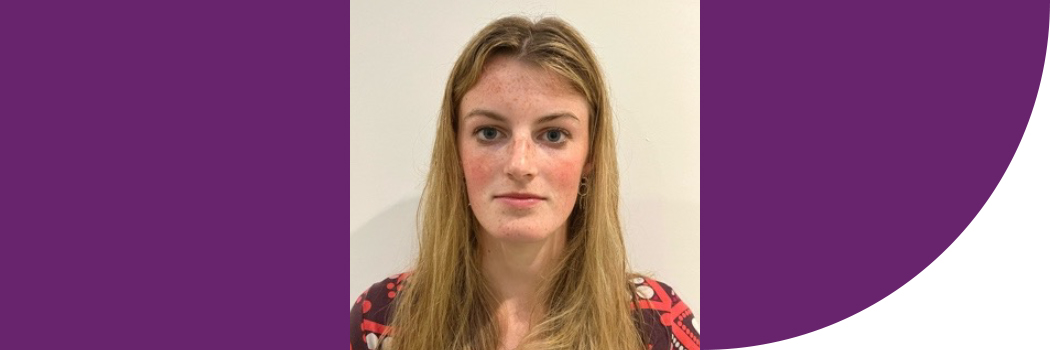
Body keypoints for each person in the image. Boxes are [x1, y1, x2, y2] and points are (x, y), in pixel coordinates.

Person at [350, 16, 699, 350]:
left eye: (553, 134)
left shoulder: (656, 325)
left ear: (590, 156)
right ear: (455, 151)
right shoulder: (381, 322)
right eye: (489, 133)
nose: (520, 164)